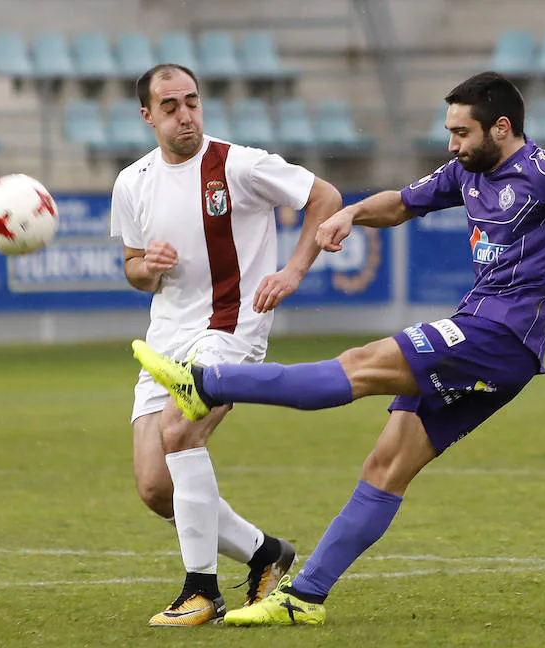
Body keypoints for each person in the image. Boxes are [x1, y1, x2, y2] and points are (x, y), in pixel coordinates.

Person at [132, 71, 545, 626]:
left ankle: (205, 383)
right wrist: (349, 212)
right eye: (449, 132)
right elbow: (401, 203)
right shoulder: (467, 172)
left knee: (353, 369)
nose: (452, 144)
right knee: (388, 463)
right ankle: (304, 598)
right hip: (494, 345)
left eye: (462, 133)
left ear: (501, 127)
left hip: (498, 336)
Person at [110, 63, 342, 626]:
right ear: (147, 115)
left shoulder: (239, 164)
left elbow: (325, 197)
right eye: (170, 106)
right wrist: (148, 266)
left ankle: (201, 592)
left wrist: (293, 271)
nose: (185, 114)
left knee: (180, 428)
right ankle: (266, 553)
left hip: (229, 329)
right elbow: (133, 269)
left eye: (192, 101)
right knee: (153, 486)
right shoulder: (132, 182)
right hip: (164, 339)